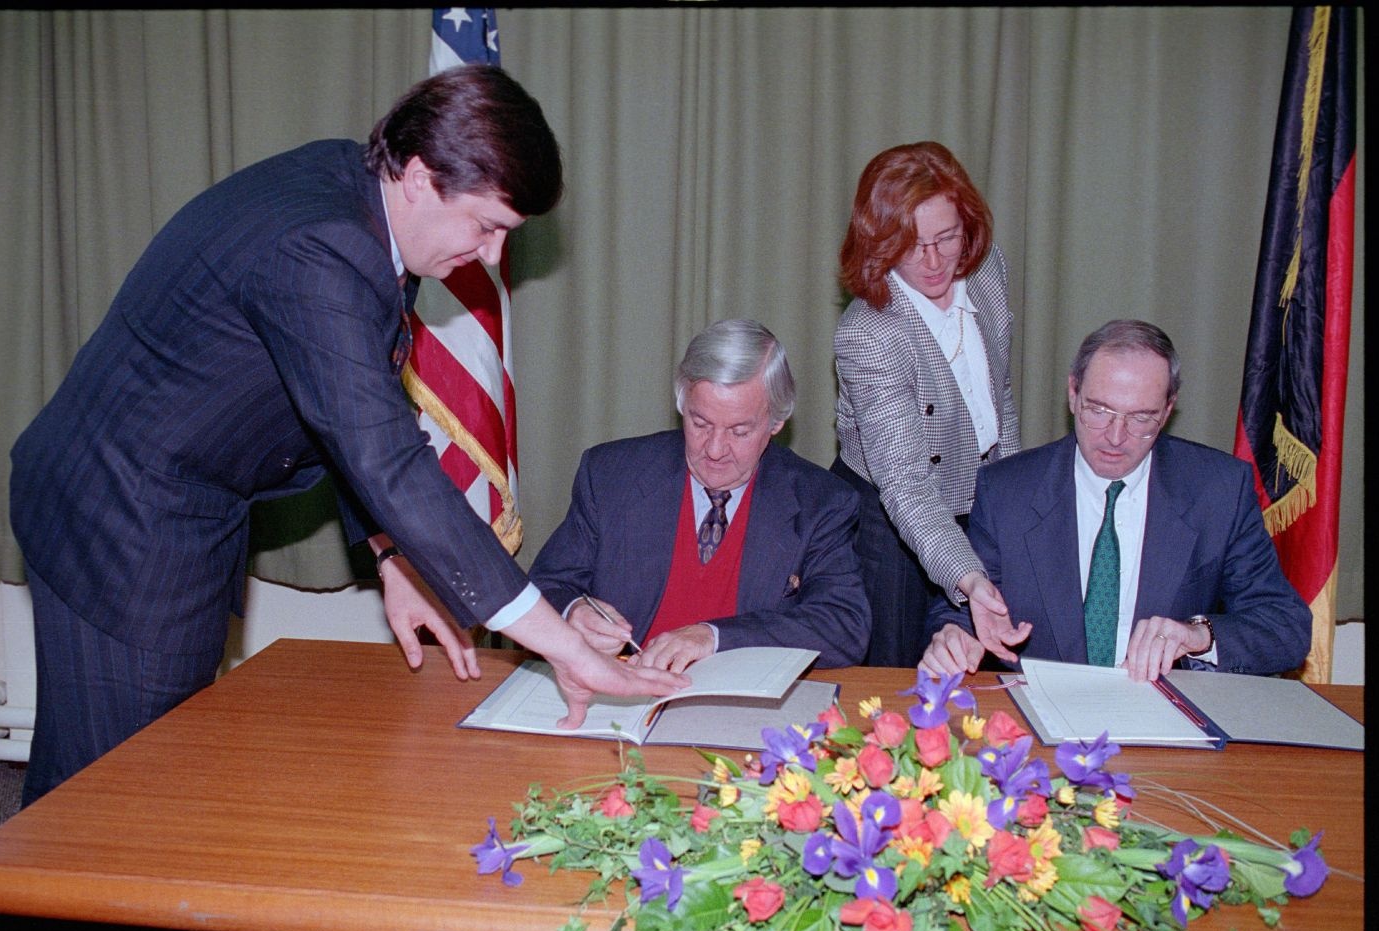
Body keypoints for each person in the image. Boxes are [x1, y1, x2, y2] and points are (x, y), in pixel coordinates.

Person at [7, 65, 688, 810]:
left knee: (149, 779)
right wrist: (561, 643)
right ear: (424, 176)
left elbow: (343, 403)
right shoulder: (324, 245)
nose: (493, 256)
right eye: (488, 225)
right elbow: (385, 456)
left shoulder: (368, 195)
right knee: (106, 805)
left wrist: (392, 554)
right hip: (120, 516)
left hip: (179, 500)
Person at [921, 319, 1312, 681]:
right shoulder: (1008, 490)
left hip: (1165, 720)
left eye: (1141, 418)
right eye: (1099, 410)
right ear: (1073, 393)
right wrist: (952, 638)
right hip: (1041, 720)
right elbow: (958, 610)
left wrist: (1198, 634)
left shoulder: (1217, 490)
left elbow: (1286, 627)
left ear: (1168, 410)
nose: (1114, 436)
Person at [529, 319, 871, 672]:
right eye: (700, 423)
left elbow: (843, 628)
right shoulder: (610, 475)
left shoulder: (822, 502)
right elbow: (546, 586)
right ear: (682, 404)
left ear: (776, 423)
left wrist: (714, 637)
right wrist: (574, 612)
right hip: (622, 693)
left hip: (741, 707)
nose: (715, 449)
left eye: (739, 431)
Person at [830, 141, 1024, 668]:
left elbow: (998, 395)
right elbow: (908, 486)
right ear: (880, 242)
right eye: (913, 245)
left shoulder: (987, 273)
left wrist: (1009, 504)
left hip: (978, 496)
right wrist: (970, 575)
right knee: (898, 673)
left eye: (948, 238)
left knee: (980, 673)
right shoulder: (869, 334)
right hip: (891, 521)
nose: (936, 261)